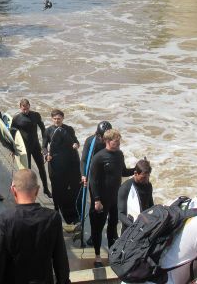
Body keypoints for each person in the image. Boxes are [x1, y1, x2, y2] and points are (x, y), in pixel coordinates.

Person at [0, 169, 70, 284]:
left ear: (13, 190)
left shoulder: (6, 219)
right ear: (37, 190)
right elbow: (61, 260)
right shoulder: (52, 218)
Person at [88, 129, 134, 267]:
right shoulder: (99, 157)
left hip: (115, 198)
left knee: (113, 226)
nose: (119, 143)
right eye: (116, 141)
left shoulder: (119, 155)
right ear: (108, 141)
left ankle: (112, 252)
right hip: (101, 200)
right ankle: (97, 256)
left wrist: (136, 169)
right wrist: (96, 200)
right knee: (97, 227)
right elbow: (93, 180)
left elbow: (123, 172)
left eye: (119, 140)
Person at [42, 109, 81, 226]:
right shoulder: (48, 131)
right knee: (56, 188)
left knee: (69, 189)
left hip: (69, 163)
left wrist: (76, 145)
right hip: (54, 164)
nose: (57, 120)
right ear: (51, 119)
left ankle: (70, 213)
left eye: (59, 118)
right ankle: (56, 209)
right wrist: (46, 154)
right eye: (54, 119)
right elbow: (43, 146)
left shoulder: (69, 129)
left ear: (63, 118)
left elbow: (76, 142)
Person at [11, 98, 51, 197]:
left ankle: (46, 189)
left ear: (29, 106)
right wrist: (12, 148)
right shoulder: (16, 118)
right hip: (24, 148)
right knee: (27, 171)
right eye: (23, 109)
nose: (26, 111)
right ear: (20, 107)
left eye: (27, 108)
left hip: (35, 145)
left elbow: (43, 129)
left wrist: (44, 146)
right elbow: (12, 134)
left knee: (41, 167)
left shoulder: (36, 115)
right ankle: (29, 192)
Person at [117, 158, 154, 232]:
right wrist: (134, 226)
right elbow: (121, 214)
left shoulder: (148, 185)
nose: (146, 180)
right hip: (129, 228)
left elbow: (151, 205)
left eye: (148, 177)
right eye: (143, 177)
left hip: (144, 225)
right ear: (135, 173)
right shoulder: (125, 188)